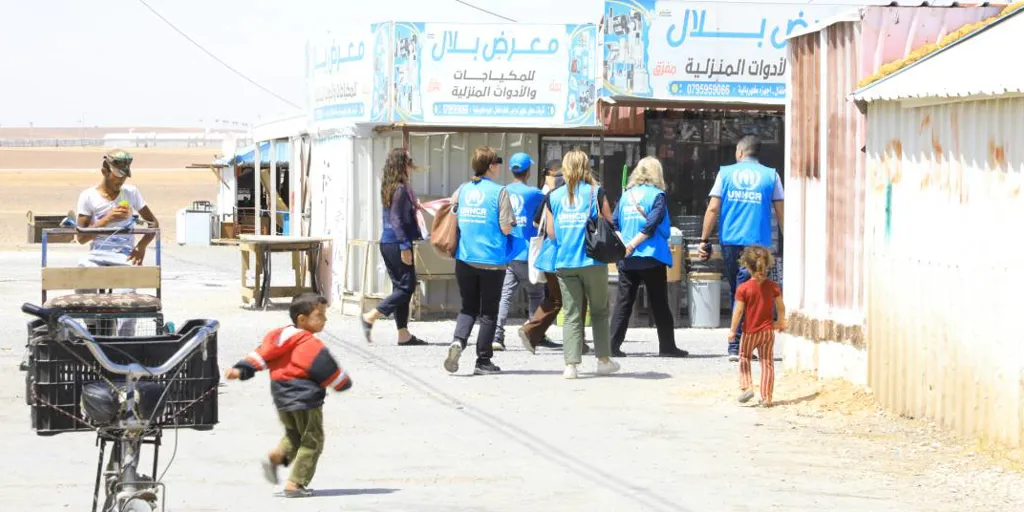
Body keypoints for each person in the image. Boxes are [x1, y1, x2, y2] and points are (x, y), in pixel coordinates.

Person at [226, 293, 353, 498]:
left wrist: (241, 370)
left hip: (281, 395)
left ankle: (278, 456)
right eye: (320, 315)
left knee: (294, 434)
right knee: (312, 440)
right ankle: (295, 483)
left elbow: (260, 354)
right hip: (306, 398)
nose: (325, 320)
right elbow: (326, 368)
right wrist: (342, 383)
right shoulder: (309, 343)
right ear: (302, 319)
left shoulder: (277, 336)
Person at [698, 135, 784, 361]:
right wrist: (788, 241)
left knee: (738, 289)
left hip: (730, 240)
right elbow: (781, 212)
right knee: (751, 292)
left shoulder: (725, 173)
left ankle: (736, 344)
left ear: (739, 152)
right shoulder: (771, 175)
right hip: (758, 243)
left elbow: (713, 208)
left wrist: (704, 239)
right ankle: (741, 344)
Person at [544, 149, 620, 379]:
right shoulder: (595, 193)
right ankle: (603, 360)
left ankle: (571, 365)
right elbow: (608, 223)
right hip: (593, 261)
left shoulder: (553, 197)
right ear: (587, 167)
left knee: (572, 313)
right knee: (599, 310)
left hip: (565, 262)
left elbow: (551, 233)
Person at [443, 146, 515, 376]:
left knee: (468, 307)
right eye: (498, 162)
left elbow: (451, 212)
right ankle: (482, 361)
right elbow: (505, 227)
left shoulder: (463, 189)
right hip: (492, 260)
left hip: (465, 258)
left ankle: (458, 341)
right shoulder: (500, 192)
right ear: (491, 166)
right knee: (488, 313)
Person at [74, 149, 160, 336]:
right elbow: (81, 237)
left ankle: (124, 349)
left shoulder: (131, 193)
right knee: (82, 277)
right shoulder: (88, 196)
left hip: (125, 255)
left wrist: (141, 247)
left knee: (128, 306)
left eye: (124, 178)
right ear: (104, 172)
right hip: (97, 254)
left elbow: (153, 224)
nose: (120, 182)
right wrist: (106, 219)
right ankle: (93, 325)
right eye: (117, 177)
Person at [609, 157, 689, 358]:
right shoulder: (658, 195)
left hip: (627, 258)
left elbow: (614, 224)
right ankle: (667, 346)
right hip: (651, 256)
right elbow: (651, 227)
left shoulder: (626, 196)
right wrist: (634, 244)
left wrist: (625, 246)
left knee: (623, 302)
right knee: (659, 302)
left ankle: (612, 345)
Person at [361, 148, 429, 346]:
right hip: (396, 243)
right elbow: (396, 219)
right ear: (402, 164)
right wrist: (405, 246)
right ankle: (370, 316)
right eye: (409, 160)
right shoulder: (399, 189)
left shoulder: (393, 187)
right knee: (407, 286)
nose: (411, 164)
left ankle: (403, 334)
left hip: (390, 242)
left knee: (401, 287)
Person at [493, 152, 546, 351]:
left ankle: (497, 336)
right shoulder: (535, 193)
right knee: (536, 294)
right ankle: (533, 334)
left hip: (509, 252)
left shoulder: (504, 190)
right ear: (528, 171)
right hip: (529, 252)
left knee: (505, 295)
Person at [730, 246, 786, 407]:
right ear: (768, 264)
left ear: (746, 265)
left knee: (744, 358)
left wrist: (733, 330)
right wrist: (781, 322)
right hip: (768, 332)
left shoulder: (743, 288)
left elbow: (739, 311)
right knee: (767, 362)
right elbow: (781, 307)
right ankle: (767, 397)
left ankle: (747, 386)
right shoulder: (773, 286)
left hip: (750, 332)